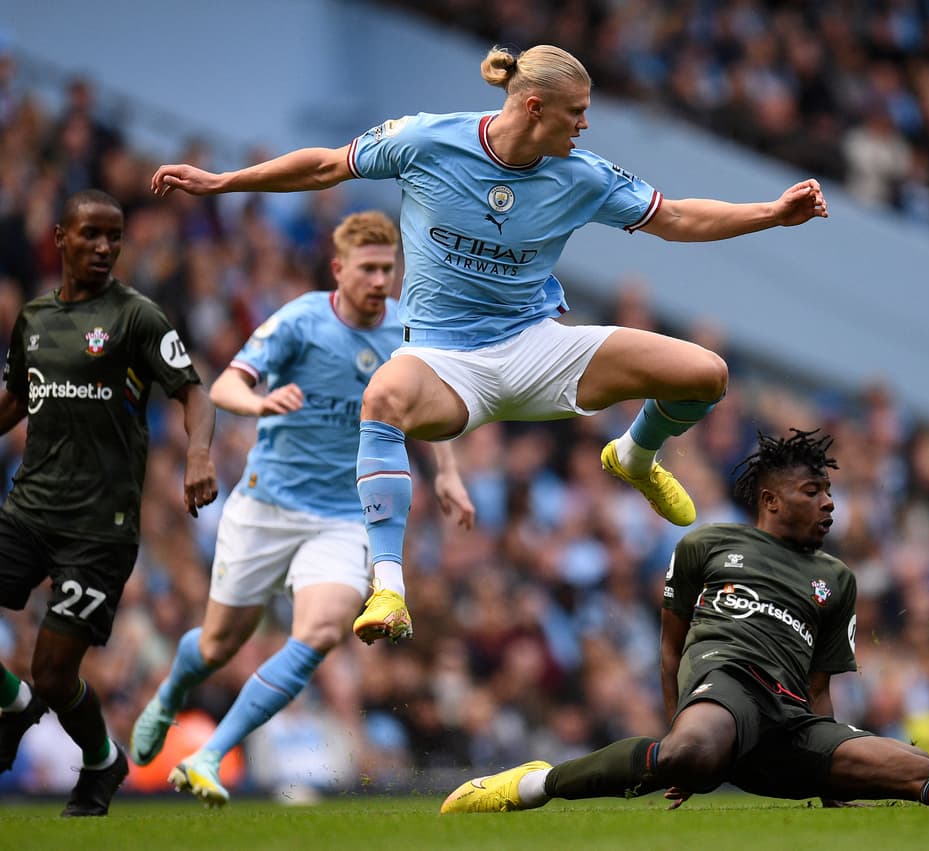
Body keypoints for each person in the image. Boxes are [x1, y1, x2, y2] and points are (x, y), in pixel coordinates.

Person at [148, 43, 830, 644]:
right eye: (577, 113)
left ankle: (634, 454)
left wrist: (772, 213)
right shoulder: (426, 141)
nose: (585, 125)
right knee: (382, 397)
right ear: (534, 107)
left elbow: (676, 217)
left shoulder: (583, 174)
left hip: (536, 347)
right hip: (445, 361)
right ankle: (388, 588)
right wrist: (225, 181)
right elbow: (327, 166)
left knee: (705, 374)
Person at [440, 429, 929, 813]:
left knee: (916, 772)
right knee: (693, 751)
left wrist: (831, 759)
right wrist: (679, 736)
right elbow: (670, 647)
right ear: (770, 498)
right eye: (813, 490)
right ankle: (532, 785)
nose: (828, 503)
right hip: (725, 686)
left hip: (788, 721)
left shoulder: (837, 578)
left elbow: (821, 686)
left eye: (829, 492)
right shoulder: (706, 545)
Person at [127, 210, 475, 807]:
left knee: (319, 633)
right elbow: (225, 386)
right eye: (367, 269)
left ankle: (208, 755)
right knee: (217, 647)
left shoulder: (405, 334)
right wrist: (260, 404)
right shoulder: (300, 321)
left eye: (387, 269)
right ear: (338, 269)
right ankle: (169, 697)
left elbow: (427, 406)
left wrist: (446, 471)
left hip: (342, 516)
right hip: (267, 505)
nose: (379, 280)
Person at [0, 189, 217, 816]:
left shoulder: (136, 317)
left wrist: (199, 455)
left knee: (53, 673)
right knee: (34, 685)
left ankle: (101, 760)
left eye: (113, 237)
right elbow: (15, 397)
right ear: (60, 238)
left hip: (100, 528)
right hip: (29, 510)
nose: (103, 247)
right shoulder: (34, 318)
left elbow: (193, 392)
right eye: (90, 234)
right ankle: (14, 703)